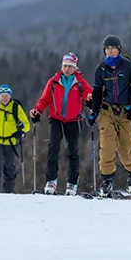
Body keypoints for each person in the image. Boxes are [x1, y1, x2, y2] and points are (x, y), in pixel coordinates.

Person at [88, 35, 131, 196]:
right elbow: (97, 92)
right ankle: (107, 181)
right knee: (107, 147)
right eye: (107, 48)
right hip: (107, 111)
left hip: (125, 113)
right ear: (104, 51)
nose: (110, 51)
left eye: (113, 47)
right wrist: (94, 112)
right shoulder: (100, 69)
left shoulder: (128, 67)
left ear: (119, 49)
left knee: (125, 149)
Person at [30, 53, 93, 195]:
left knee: (72, 151)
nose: (67, 69)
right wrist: (37, 111)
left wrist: (90, 100)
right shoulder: (53, 81)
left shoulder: (81, 83)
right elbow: (44, 100)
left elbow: (89, 96)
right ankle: (51, 181)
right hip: (56, 119)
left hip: (73, 120)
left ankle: (72, 184)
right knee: (53, 148)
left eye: (70, 66)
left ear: (75, 68)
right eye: (65, 66)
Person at [0, 85, 30, 193]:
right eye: (2, 96)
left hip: (11, 142)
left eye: (6, 96)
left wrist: (21, 130)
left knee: (10, 167)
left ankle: (8, 192)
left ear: (10, 96)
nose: (4, 98)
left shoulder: (16, 107)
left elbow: (27, 125)